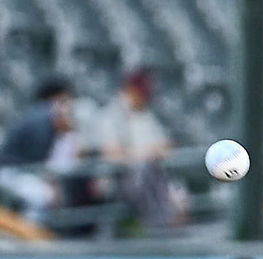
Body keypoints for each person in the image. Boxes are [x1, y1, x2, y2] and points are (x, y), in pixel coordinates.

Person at [90, 68, 182, 228]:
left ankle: (168, 230)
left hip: (154, 175)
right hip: (120, 179)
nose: (145, 96)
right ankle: (159, 228)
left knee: (176, 189)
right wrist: (146, 153)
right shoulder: (109, 115)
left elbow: (166, 146)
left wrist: (150, 153)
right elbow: (112, 155)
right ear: (129, 89)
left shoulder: (147, 114)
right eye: (140, 92)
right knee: (143, 171)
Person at [0, 77, 76, 226]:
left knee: (45, 194)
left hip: (18, 170)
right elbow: (37, 163)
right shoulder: (42, 121)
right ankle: (30, 235)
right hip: (9, 171)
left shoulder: (42, 116)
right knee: (42, 195)